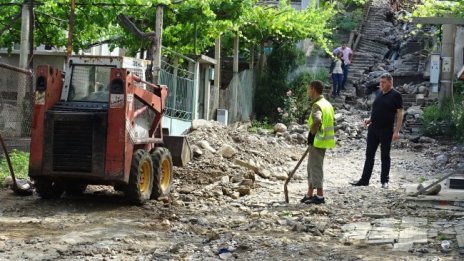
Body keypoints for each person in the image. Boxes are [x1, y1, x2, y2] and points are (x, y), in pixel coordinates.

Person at [350, 73, 404, 189]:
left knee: (385, 155)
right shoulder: (379, 93)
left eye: (384, 82)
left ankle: (384, 181)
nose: (381, 84)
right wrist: (369, 119)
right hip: (373, 128)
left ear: (390, 82)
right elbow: (377, 109)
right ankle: (364, 180)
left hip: (386, 129)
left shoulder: (396, 95)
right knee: (369, 155)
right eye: (380, 82)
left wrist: (397, 131)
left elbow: (400, 114)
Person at [301, 80, 336, 204]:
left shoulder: (317, 105)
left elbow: (317, 120)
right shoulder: (327, 104)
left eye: (309, 89)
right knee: (311, 167)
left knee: (315, 168)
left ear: (313, 89)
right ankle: (309, 194)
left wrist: (312, 133)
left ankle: (320, 196)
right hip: (323, 141)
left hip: (317, 141)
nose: (308, 92)